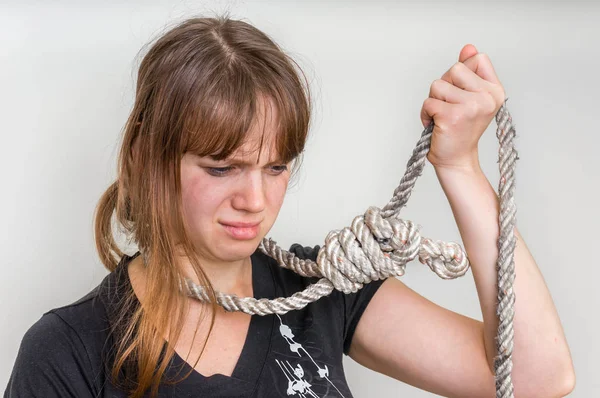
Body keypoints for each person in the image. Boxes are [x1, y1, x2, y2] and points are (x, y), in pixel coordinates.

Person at [4, 14, 575, 398]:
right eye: (221, 167)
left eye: (275, 167)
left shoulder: (322, 293)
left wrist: (460, 168)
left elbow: (538, 378)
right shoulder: (67, 352)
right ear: (149, 159)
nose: (255, 200)